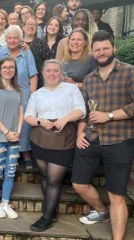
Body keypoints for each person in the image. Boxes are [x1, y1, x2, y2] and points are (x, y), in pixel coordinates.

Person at [72, 31, 134, 240]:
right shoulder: (89, 79)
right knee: (78, 183)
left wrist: (109, 116)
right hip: (91, 139)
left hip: (119, 140)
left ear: (113, 48)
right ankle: (101, 211)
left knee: (116, 194)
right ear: (92, 52)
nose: (101, 53)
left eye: (105, 48)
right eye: (97, 50)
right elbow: (84, 111)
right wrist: (79, 133)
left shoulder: (130, 72)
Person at [25, 59, 86, 231]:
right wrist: (40, 121)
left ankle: (46, 217)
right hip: (40, 138)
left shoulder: (71, 89)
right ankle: (51, 212)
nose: (52, 74)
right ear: (43, 73)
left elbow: (82, 109)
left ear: (61, 73)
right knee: (45, 176)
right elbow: (28, 116)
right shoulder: (37, 94)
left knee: (53, 179)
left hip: (63, 138)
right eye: (48, 71)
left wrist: (66, 118)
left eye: (56, 71)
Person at [0, 57, 23, 219]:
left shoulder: (19, 90)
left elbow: (21, 112)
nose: (8, 70)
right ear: (0, 69)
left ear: (15, 70)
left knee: (10, 172)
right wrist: (6, 132)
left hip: (15, 137)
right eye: (5, 67)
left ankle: (5, 203)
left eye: (11, 67)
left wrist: (17, 131)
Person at [0, 25, 38, 169]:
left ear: (20, 39)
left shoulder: (26, 53)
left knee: (25, 124)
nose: (12, 40)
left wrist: (33, 95)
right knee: (9, 122)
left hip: (24, 94)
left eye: (15, 37)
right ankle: (11, 152)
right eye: (10, 37)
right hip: (6, 94)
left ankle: (26, 153)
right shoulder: (1, 52)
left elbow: (33, 75)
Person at [22, 17, 52, 88]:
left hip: (39, 82)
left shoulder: (42, 43)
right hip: (22, 82)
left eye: (33, 25)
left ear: (36, 28)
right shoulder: (19, 43)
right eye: (28, 24)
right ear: (23, 27)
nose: (31, 26)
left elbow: (49, 62)